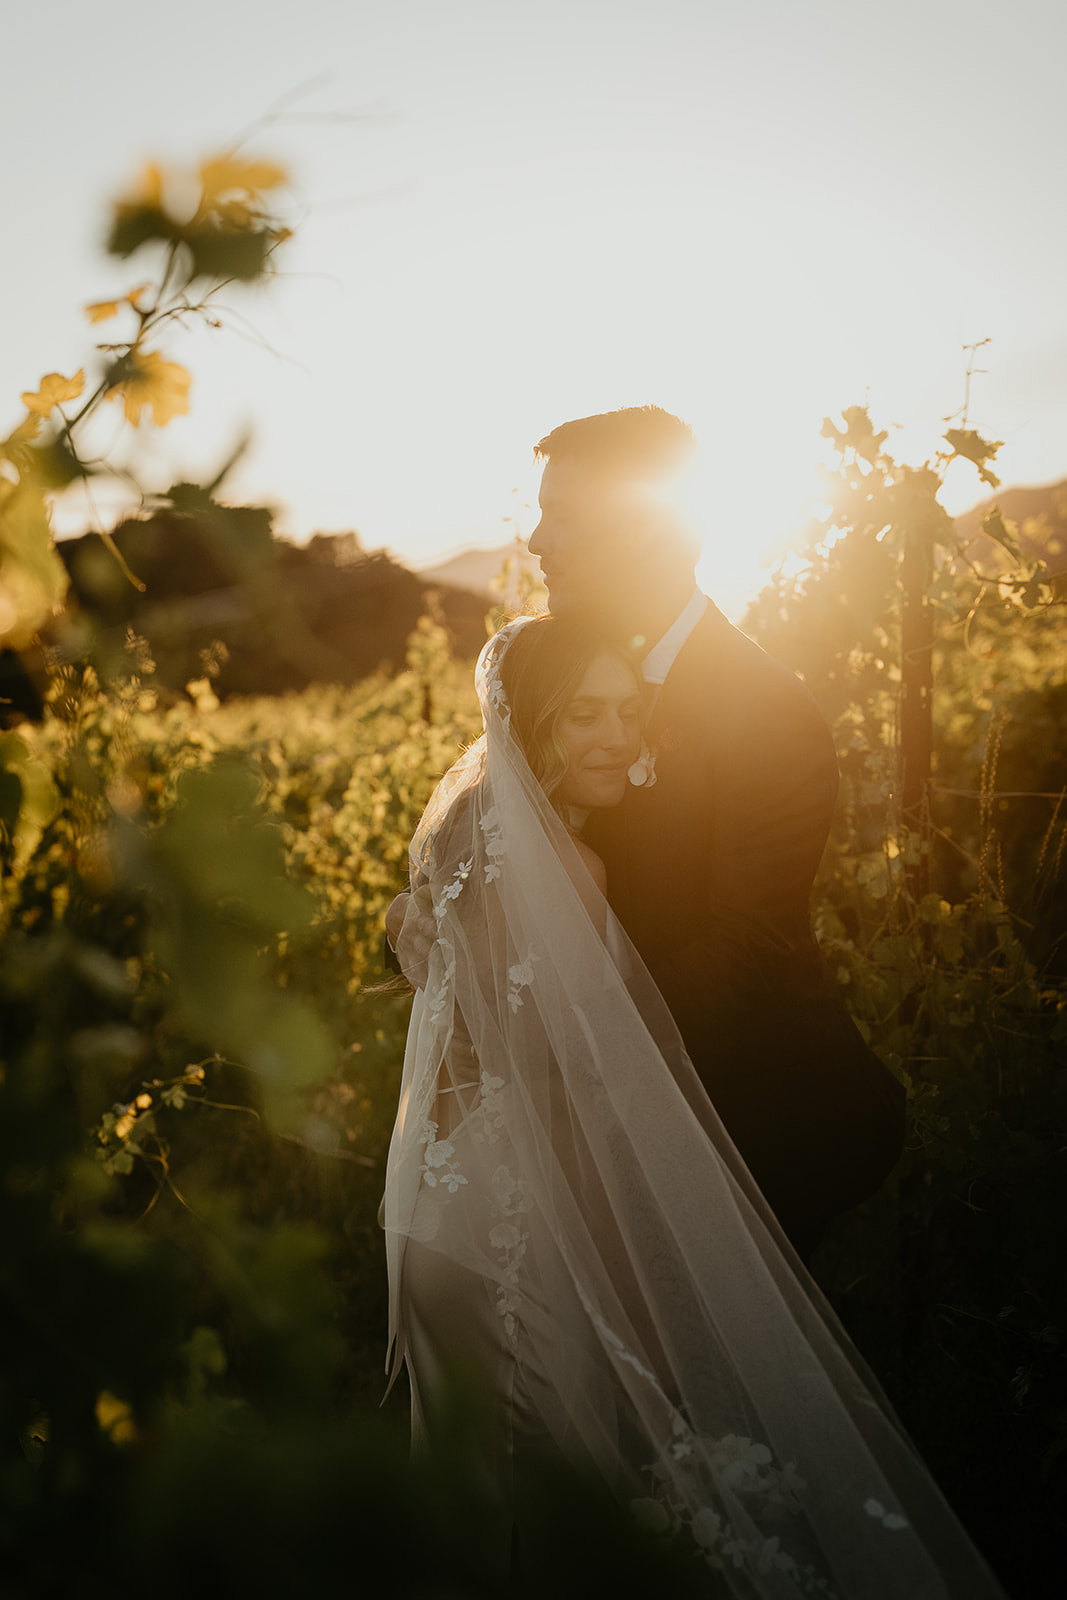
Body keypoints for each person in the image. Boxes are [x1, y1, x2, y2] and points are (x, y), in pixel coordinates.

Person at [381, 612, 1005, 1598]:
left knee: (484, 1512)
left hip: (444, 1212)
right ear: (526, 718)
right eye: (582, 713)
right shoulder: (570, 872)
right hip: (519, 1236)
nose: (617, 737)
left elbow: (459, 1000)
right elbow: (573, 1085)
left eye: (629, 710)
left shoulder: (468, 833)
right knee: (567, 1519)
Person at [526, 406, 905, 1257]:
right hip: (608, 1111)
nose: (535, 541)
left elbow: (749, 945)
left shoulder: (765, 708)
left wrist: (569, 1045)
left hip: (760, 1110)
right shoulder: (554, 678)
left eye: (564, 518)